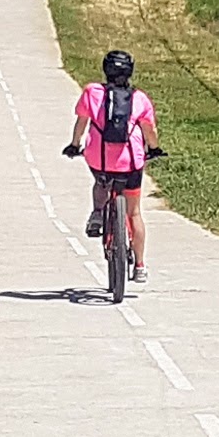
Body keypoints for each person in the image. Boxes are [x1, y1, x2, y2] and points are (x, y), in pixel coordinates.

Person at [67, 48, 163, 281]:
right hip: (130, 163)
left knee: (101, 180)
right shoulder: (139, 99)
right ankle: (139, 266)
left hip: (99, 159)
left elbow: (82, 122)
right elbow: (149, 131)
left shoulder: (92, 92)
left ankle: (99, 212)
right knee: (134, 212)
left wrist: (74, 144)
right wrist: (153, 148)